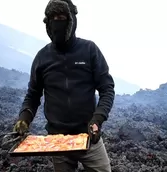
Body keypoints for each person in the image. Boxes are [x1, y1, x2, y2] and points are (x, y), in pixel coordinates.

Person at [13, 0, 115, 171]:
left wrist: (97, 119)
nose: (56, 23)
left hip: (89, 136)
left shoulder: (89, 50)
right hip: (57, 141)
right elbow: (33, 95)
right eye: (52, 18)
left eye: (61, 17)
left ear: (72, 20)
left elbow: (107, 89)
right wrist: (24, 119)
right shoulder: (42, 58)